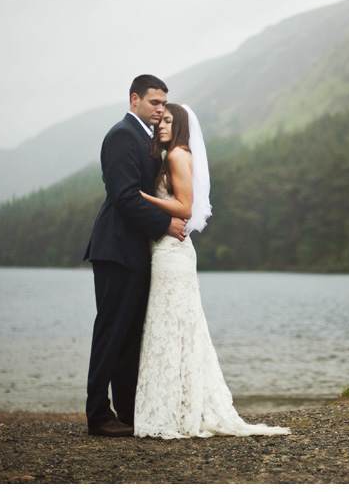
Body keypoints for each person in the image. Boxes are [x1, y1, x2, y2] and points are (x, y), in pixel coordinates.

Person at [132, 103, 290, 439]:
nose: (162, 125)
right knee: (177, 327)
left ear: (182, 126)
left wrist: (147, 199)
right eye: (160, 120)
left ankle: (175, 409)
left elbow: (185, 207)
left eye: (169, 121)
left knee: (171, 325)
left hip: (173, 254)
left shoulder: (176, 155)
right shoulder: (172, 155)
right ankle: (182, 405)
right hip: (168, 251)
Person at [83, 75, 187, 437]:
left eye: (163, 104)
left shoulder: (147, 139)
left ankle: (126, 413)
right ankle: (98, 414)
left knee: (129, 337)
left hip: (136, 252)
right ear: (134, 100)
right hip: (117, 249)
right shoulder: (121, 136)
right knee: (111, 332)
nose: (160, 109)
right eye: (154, 103)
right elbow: (125, 196)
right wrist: (166, 224)